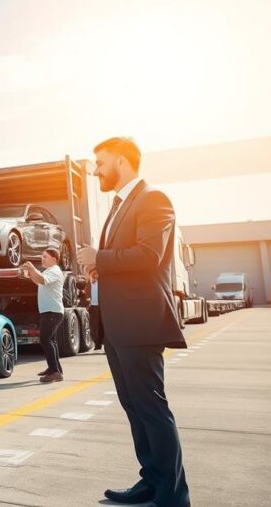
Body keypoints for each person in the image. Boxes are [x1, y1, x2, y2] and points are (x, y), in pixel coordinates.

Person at [77, 137, 189, 507]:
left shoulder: (154, 199)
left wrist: (99, 257)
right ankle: (152, 480)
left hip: (140, 323)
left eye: (100, 162)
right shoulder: (119, 205)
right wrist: (100, 268)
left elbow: (148, 255)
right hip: (118, 325)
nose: (96, 170)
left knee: (151, 408)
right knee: (134, 407)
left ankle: (173, 495)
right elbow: (125, 259)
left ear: (122, 162)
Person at [21, 248, 65, 383]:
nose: (42, 259)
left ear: (54, 259)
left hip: (52, 311)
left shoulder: (55, 271)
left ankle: (55, 372)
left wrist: (32, 268)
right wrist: (30, 272)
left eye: (45, 256)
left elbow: (41, 279)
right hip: (50, 311)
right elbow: (38, 281)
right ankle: (55, 369)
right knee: (51, 340)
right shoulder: (49, 271)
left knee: (45, 339)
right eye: (42, 256)